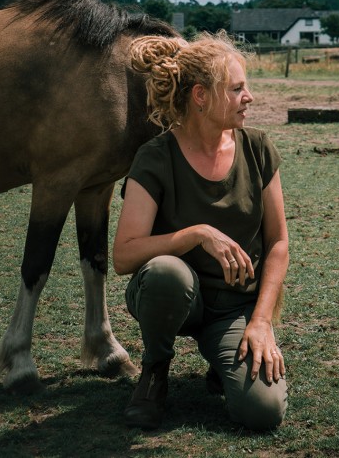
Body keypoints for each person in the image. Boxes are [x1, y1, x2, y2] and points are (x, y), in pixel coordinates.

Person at [113, 31, 289, 431]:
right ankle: (155, 371)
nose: (250, 97)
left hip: (235, 307)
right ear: (200, 96)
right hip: (175, 296)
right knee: (165, 273)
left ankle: (222, 360)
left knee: (262, 413)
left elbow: (278, 243)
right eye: (237, 88)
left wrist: (260, 321)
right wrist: (196, 233)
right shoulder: (155, 157)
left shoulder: (258, 148)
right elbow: (124, 255)